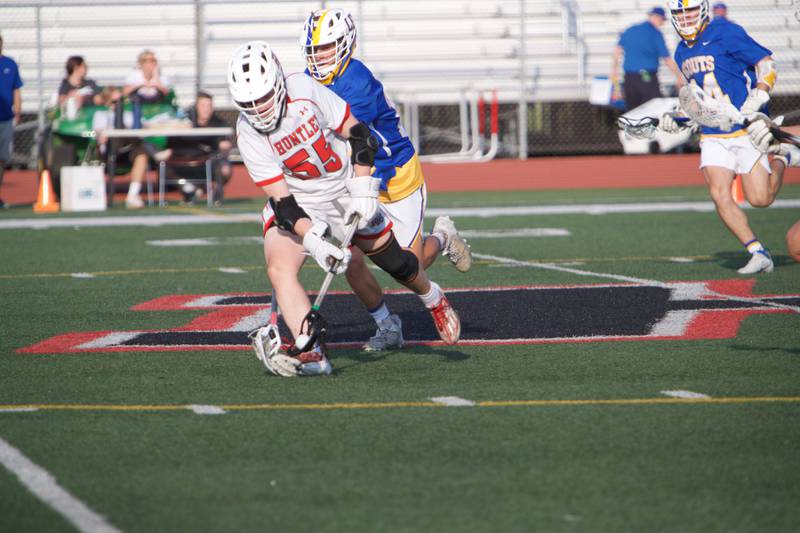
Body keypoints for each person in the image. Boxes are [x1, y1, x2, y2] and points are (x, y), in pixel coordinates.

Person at [230, 41, 461, 377]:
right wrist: (315, 242)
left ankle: (433, 297)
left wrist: (363, 187)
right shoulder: (247, 132)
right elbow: (283, 203)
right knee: (279, 268)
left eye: (263, 97)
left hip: (342, 187)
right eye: (248, 103)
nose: (259, 109)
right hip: (302, 198)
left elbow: (358, 133)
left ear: (278, 83)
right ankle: (311, 351)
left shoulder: (305, 89)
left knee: (400, 265)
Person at [300, 8, 472, 352]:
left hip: (395, 176)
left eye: (326, 48)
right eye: (314, 49)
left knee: (410, 266)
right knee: (349, 256)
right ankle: (386, 324)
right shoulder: (310, 79)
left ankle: (442, 235)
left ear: (346, 45)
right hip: (357, 179)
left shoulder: (356, 81)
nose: (319, 56)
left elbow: (353, 140)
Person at [659, 0, 800, 274]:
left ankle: (783, 156)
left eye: (689, 11)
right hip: (713, 134)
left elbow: (766, 63)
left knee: (761, 199)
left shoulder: (726, 32)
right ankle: (757, 251)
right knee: (719, 193)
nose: (686, 19)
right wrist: (679, 117)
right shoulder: (679, 51)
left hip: (747, 128)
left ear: (702, 10)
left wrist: (761, 91)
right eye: (680, 13)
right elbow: (698, 99)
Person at [119, 50, 172, 208]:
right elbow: (125, 92)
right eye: (148, 61)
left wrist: (155, 79)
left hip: (156, 119)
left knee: (144, 149)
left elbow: (167, 94)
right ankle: (154, 152)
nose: (151, 64)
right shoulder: (134, 77)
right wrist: (142, 83)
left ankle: (152, 150)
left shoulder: (160, 78)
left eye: (154, 61)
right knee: (139, 139)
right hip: (135, 127)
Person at [163, 91, 232, 204]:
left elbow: (225, 144)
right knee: (163, 166)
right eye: (203, 105)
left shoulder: (219, 123)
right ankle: (189, 190)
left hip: (207, 163)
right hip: (183, 162)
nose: (206, 109)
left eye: (209, 105)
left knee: (225, 168)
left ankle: (217, 194)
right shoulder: (186, 120)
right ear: (196, 107)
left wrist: (222, 146)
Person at [611, 7, 684, 110]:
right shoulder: (655, 33)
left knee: (632, 112)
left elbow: (617, 51)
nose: (662, 24)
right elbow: (666, 58)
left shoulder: (630, 30)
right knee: (653, 109)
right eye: (662, 20)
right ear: (658, 18)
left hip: (629, 78)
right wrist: (679, 77)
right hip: (646, 77)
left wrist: (614, 73)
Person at [0, 33, 22, 209]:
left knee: (3, 157)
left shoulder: (9, 64)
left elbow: (16, 89)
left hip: (6, 117)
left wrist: (18, 109)